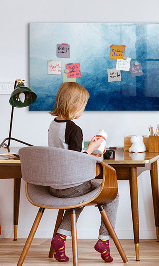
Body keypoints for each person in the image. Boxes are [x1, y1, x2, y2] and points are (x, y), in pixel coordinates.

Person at [48, 82, 118, 263]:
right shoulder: (74, 129)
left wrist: (87, 149)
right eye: (83, 105)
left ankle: (60, 238)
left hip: (54, 186)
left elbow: (65, 154)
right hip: (71, 186)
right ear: (74, 104)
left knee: (78, 197)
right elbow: (76, 161)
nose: (83, 109)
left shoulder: (53, 125)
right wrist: (93, 148)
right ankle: (104, 240)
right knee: (113, 194)